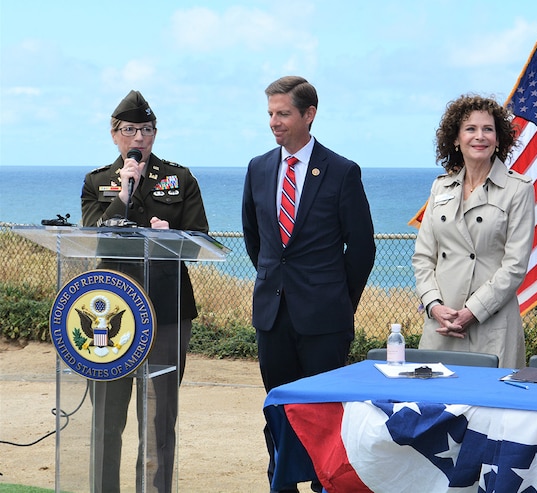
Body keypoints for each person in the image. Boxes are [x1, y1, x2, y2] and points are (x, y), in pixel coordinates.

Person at [241, 76, 376, 492]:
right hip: (272, 315)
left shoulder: (341, 171)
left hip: (325, 320)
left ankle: (324, 487)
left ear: (309, 115)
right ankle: (280, 485)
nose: (275, 123)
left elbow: (363, 247)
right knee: (279, 411)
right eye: (270, 114)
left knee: (322, 416)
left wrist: (338, 300)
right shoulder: (259, 168)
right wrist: (274, 284)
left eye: (283, 113)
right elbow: (255, 239)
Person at [81, 90, 209, 492]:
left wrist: (172, 237)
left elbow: (200, 237)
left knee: (157, 421)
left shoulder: (180, 178)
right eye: (130, 130)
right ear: (114, 134)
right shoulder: (97, 181)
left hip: (166, 310)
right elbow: (91, 236)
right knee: (106, 418)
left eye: (147, 129)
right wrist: (121, 196)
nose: (139, 138)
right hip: (109, 312)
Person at [412, 95, 535, 369]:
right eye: (470, 129)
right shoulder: (440, 188)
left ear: (499, 139)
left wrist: (472, 312)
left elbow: (515, 266)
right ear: (456, 139)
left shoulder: (519, 189)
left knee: (493, 406)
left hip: (491, 323)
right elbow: (423, 258)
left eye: (487, 129)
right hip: (441, 325)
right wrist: (434, 306)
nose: (479, 136)